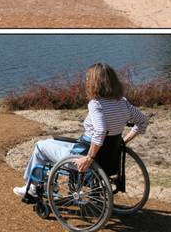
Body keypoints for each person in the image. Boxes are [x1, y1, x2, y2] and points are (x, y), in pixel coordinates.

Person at [13, 62, 148, 198]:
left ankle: (33, 188)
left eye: (88, 78)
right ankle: (48, 185)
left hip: (83, 155)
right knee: (54, 142)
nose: (86, 81)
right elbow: (143, 121)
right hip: (105, 156)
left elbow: (100, 131)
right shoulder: (123, 103)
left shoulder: (96, 104)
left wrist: (89, 158)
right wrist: (121, 142)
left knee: (41, 146)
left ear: (96, 83)